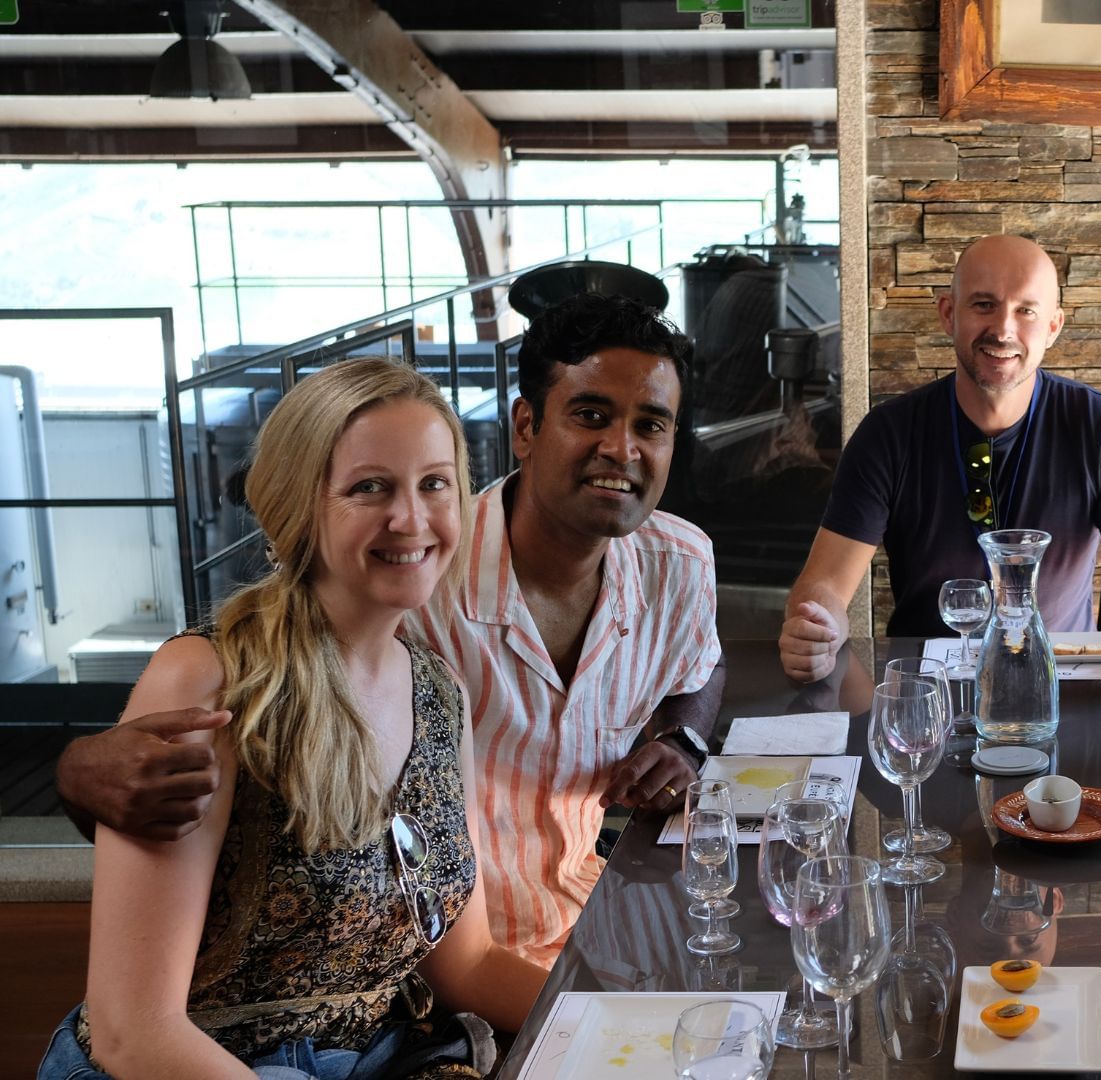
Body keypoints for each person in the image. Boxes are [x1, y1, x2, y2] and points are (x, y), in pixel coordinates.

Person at [56, 293, 725, 967]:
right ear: (525, 427)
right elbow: (262, 676)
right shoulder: (414, 573)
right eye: (591, 415)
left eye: (652, 425)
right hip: (416, 969)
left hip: (569, 927)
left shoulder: (679, 563)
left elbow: (701, 666)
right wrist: (79, 771)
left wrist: (686, 740)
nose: (621, 448)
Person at [39, 358, 545, 1079]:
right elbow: (133, 1031)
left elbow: (466, 964)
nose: (411, 518)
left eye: (434, 484)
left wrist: (619, 1008)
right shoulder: (211, 680)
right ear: (297, 505)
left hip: (374, 1057)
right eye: (370, 487)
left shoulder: (440, 696)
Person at [779, 233, 1101, 683]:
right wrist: (816, 629)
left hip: (1064, 684)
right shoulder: (887, 432)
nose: (1003, 329)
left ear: (1053, 326)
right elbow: (824, 588)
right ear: (948, 314)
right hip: (928, 689)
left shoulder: (1099, 425)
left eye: (1025, 310)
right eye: (983, 305)